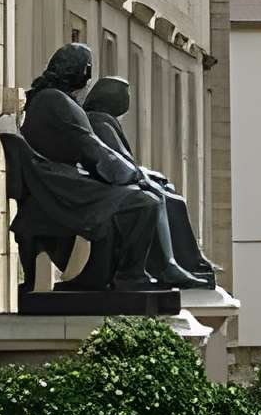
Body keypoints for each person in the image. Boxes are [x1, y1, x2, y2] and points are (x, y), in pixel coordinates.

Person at [0, 44, 166, 294]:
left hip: (56, 182)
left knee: (124, 202)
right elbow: (92, 151)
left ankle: (95, 276)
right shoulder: (56, 101)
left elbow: (91, 150)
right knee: (145, 202)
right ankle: (129, 277)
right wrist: (133, 174)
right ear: (82, 71)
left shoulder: (46, 98)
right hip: (58, 188)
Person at [84, 75, 218, 291]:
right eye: (124, 93)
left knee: (170, 194)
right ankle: (170, 265)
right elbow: (114, 161)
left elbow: (120, 160)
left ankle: (190, 262)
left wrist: (146, 173)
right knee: (164, 199)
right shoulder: (99, 122)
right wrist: (142, 176)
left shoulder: (104, 120)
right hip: (113, 186)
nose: (128, 99)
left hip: (120, 180)